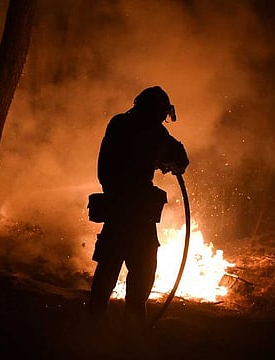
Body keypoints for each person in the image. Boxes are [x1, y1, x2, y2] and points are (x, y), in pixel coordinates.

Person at [87, 86, 189, 331]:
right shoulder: (152, 131)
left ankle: (93, 322)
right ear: (154, 110)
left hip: (115, 209)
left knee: (108, 267)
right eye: (160, 113)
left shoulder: (119, 123)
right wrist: (170, 163)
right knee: (142, 270)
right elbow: (179, 157)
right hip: (136, 215)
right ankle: (132, 328)